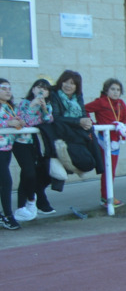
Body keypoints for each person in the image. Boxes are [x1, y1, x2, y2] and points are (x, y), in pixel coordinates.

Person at [85, 78, 126, 208]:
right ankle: (106, 198)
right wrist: (92, 124)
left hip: (116, 141)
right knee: (108, 170)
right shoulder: (100, 102)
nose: (115, 92)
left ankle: (107, 197)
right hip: (104, 140)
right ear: (106, 90)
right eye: (113, 89)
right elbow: (84, 109)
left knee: (111, 170)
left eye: (118, 90)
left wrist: (124, 125)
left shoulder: (121, 103)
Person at [11, 79, 54, 223]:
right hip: (21, 143)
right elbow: (23, 121)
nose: (42, 91)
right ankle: (30, 200)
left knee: (31, 174)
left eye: (45, 89)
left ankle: (22, 207)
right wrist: (32, 105)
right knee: (28, 171)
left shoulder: (47, 105)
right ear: (33, 89)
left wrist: (44, 108)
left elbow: (48, 120)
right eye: (39, 87)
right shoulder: (24, 103)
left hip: (36, 143)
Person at [48, 70, 100, 190]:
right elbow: (56, 118)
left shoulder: (78, 96)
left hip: (76, 134)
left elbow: (83, 114)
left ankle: (96, 167)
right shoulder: (54, 95)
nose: (68, 85)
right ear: (61, 82)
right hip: (62, 134)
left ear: (77, 86)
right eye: (65, 82)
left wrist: (86, 122)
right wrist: (78, 122)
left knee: (90, 159)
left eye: (72, 83)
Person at [0, 78, 22, 230]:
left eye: (9, 88)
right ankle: (8, 216)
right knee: (6, 182)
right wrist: (8, 123)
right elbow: (6, 123)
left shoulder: (9, 107)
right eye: (3, 88)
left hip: (7, 149)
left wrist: (20, 123)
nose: (8, 91)